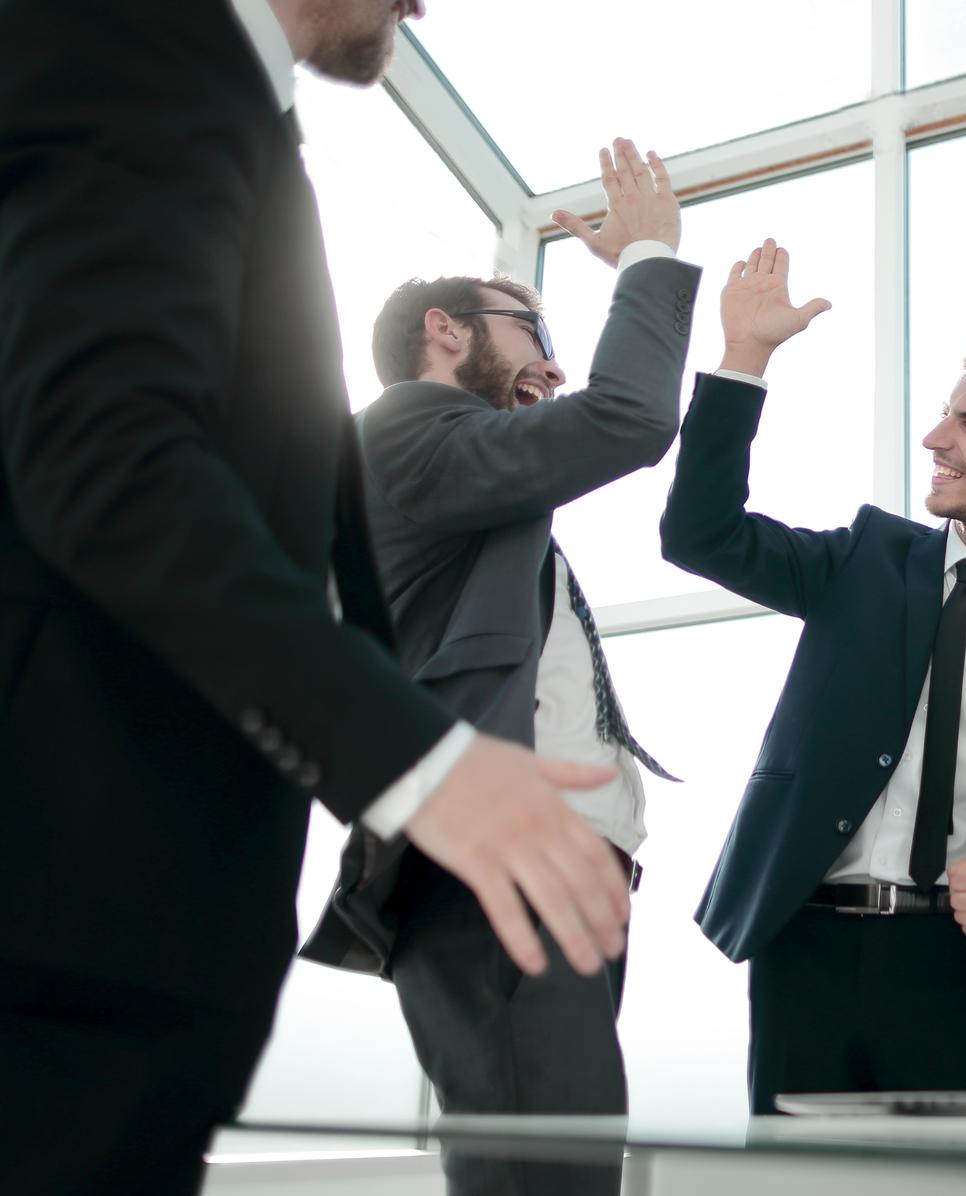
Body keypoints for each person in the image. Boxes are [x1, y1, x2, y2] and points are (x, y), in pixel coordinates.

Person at [0, 2, 629, 1191]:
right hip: (56, 906)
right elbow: (106, 462)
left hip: (122, 923)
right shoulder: (131, 45)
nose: (422, 4)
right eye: (527, 321)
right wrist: (426, 765)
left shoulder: (223, 110)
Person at [660, 240, 966, 1114]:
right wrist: (744, 360)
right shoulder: (866, 560)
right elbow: (700, 534)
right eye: (944, 416)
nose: (936, 439)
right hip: (801, 945)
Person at [301, 139, 698, 1196]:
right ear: (445, 330)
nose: (553, 365)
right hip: (498, 873)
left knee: (548, 1165)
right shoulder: (407, 436)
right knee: (542, 1174)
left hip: (544, 872)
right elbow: (627, 415)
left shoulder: (462, 477)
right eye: (533, 333)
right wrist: (650, 257)